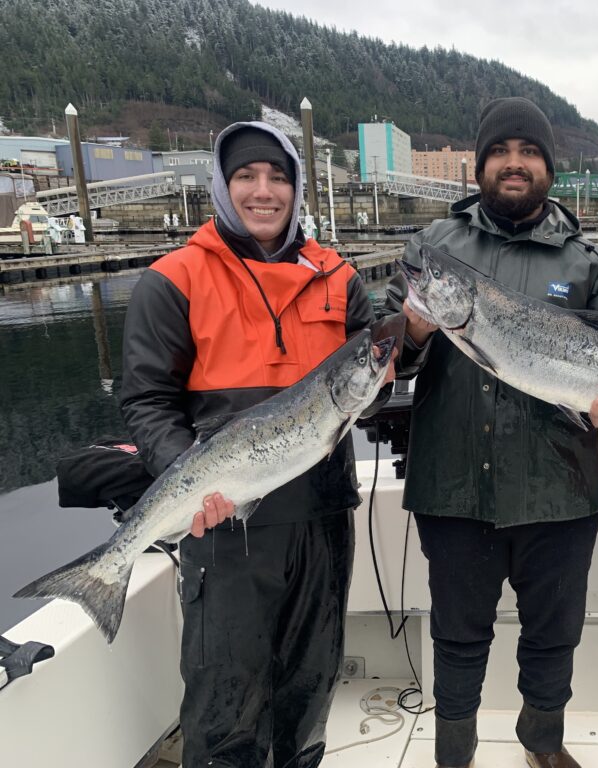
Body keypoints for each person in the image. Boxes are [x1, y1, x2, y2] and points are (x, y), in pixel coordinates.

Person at [120, 121, 393, 768]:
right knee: (226, 704)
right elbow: (146, 400)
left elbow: (372, 392)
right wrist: (188, 481)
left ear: (298, 189)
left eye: (279, 176)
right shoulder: (174, 279)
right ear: (222, 182)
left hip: (322, 518)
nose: (263, 191)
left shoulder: (340, 279)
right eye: (247, 174)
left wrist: (387, 373)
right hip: (225, 527)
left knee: (309, 687)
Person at [389, 96, 598, 768]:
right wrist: (409, 333)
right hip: (453, 484)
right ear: (480, 165)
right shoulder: (431, 250)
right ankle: (454, 751)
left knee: (554, 635)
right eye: (501, 152)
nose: (515, 163)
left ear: (549, 168)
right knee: (457, 635)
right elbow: (382, 362)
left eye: (529, 152)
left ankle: (542, 742)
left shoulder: (586, 263)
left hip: (559, 489)